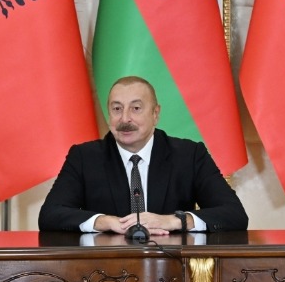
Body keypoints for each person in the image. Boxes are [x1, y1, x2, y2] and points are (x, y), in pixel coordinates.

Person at [38, 76, 248, 235]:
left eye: (136, 108)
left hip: (172, 268)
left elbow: (234, 214)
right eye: (117, 109)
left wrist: (175, 221)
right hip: (104, 269)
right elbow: (50, 215)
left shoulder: (189, 155)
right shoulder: (84, 157)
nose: (125, 119)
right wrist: (104, 222)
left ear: (155, 114)